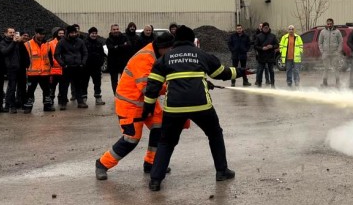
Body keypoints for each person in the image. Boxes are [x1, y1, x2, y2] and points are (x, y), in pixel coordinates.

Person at [143, 25, 252, 191]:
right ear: (192, 39)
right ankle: (221, 171)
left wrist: (148, 106)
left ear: (175, 40)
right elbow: (221, 73)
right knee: (215, 134)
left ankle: (155, 180)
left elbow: (153, 85)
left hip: (174, 108)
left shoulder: (165, 58)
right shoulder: (201, 55)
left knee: (166, 142)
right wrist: (241, 71)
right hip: (201, 106)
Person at [96, 33, 176, 180]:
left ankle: (151, 163)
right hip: (130, 104)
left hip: (147, 101)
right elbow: (147, 88)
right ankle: (102, 164)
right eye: (170, 49)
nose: (172, 52)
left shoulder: (158, 55)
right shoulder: (145, 58)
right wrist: (171, 86)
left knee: (160, 127)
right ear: (162, 48)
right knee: (131, 139)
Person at [56, 25, 89, 109]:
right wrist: (63, 64)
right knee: (64, 86)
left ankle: (80, 102)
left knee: (78, 85)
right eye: (72, 33)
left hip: (78, 66)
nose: (74, 34)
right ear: (68, 33)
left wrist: (83, 63)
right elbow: (56, 55)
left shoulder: (80, 41)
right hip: (67, 67)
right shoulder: (62, 42)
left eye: (75, 32)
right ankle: (63, 103)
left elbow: (85, 52)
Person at [0, 28, 30, 114]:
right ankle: (11, 105)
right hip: (11, 69)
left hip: (21, 68)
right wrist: (13, 42)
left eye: (13, 32)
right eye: (10, 32)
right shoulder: (3, 43)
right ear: (6, 33)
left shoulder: (19, 42)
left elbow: (25, 54)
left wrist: (27, 64)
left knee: (23, 87)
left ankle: (23, 103)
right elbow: (5, 52)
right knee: (12, 88)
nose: (12, 34)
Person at [24, 28, 54, 113]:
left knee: (46, 90)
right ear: (35, 33)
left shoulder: (47, 44)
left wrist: (50, 69)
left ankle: (47, 106)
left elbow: (50, 58)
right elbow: (24, 58)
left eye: (43, 34)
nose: (42, 36)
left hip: (45, 73)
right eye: (40, 34)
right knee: (30, 90)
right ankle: (28, 107)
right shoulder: (27, 44)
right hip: (32, 73)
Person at [317, 18, 343, 87]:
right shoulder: (323, 32)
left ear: (333, 23)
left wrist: (338, 51)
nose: (329, 25)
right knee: (326, 68)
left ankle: (338, 83)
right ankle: (324, 82)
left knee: (336, 68)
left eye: (330, 23)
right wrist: (322, 51)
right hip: (326, 53)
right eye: (328, 24)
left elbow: (341, 42)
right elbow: (320, 42)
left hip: (335, 53)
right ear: (326, 24)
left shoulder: (337, 32)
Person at [105, 24, 130, 93]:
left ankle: (124, 93)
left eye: (117, 29)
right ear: (111, 30)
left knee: (124, 79)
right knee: (114, 80)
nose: (116, 31)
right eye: (114, 29)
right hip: (113, 63)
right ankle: (116, 95)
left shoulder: (124, 37)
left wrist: (117, 47)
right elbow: (111, 48)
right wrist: (122, 45)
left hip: (123, 63)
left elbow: (128, 45)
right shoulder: (108, 40)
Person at [85, 27, 107, 106]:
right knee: (84, 83)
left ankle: (98, 98)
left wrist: (100, 62)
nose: (94, 35)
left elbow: (102, 54)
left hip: (96, 67)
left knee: (97, 83)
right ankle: (84, 98)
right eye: (92, 33)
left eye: (95, 33)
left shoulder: (99, 43)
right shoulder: (85, 43)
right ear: (89, 34)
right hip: (86, 67)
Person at [253, 22, 277, 87]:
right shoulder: (258, 36)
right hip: (261, 56)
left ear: (269, 28)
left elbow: (277, 45)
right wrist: (262, 48)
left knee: (271, 71)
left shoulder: (273, 36)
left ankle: (272, 83)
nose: (266, 29)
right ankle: (259, 83)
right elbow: (255, 46)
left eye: (267, 28)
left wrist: (272, 46)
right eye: (264, 28)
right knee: (260, 70)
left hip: (270, 56)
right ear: (262, 28)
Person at [48, 27, 66, 109]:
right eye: (60, 33)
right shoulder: (50, 43)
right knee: (52, 87)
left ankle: (62, 102)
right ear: (56, 34)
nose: (61, 35)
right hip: (54, 69)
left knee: (63, 87)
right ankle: (51, 101)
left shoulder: (67, 42)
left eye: (63, 33)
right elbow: (48, 56)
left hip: (63, 68)